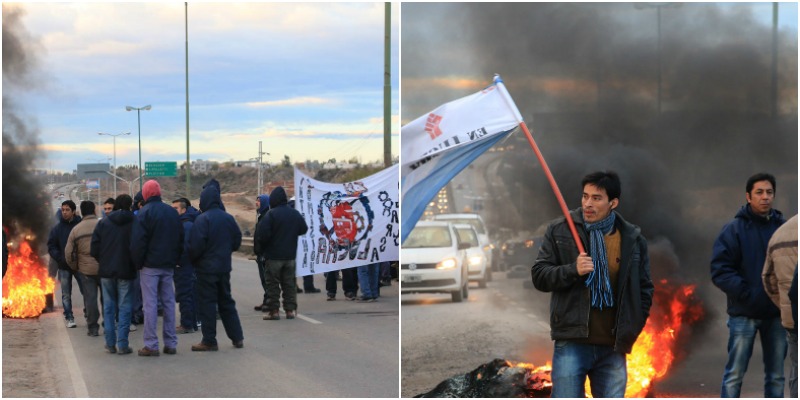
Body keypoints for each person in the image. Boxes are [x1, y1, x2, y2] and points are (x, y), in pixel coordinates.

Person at [531, 171, 653, 398]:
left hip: (613, 348)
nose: (588, 203)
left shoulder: (632, 239)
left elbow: (644, 289)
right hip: (572, 344)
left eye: (596, 198)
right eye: (585, 196)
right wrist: (572, 270)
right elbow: (539, 276)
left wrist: (632, 328)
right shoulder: (560, 230)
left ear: (613, 203)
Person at [711, 172, 787, 398]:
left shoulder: (783, 230)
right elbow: (720, 270)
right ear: (748, 196)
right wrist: (747, 294)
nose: (765, 197)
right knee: (735, 374)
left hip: (776, 315)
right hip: (744, 314)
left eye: (769, 192)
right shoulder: (733, 230)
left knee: (776, 376)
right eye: (759, 192)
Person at [188, 182, 244, 351]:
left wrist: (194, 261)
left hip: (206, 270)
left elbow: (195, 246)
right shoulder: (228, 218)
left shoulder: (202, 219)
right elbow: (237, 241)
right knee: (226, 301)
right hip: (223, 267)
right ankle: (237, 337)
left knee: (207, 304)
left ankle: (209, 340)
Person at [130, 180, 183, 356]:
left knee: (150, 304)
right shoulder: (171, 212)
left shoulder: (144, 213)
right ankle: (171, 343)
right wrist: (176, 259)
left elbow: (138, 242)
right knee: (168, 303)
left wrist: (138, 263)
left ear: (145, 194)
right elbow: (180, 238)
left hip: (149, 266)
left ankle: (151, 344)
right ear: (159, 193)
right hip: (168, 265)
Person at [90, 194, 137, 355]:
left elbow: (94, 248)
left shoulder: (103, 223)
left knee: (108, 307)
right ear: (131, 206)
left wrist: (103, 260)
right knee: (125, 307)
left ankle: (110, 343)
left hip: (106, 271)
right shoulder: (135, 222)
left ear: (115, 206)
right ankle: (123, 344)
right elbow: (139, 246)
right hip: (126, 270)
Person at [256, 186, 308, 320]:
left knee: (272, 285)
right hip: (290, 257)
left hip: (273, 257)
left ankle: (274, 311)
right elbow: (303, 229)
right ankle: (290, 310)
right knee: (289, 284)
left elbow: (263, 235)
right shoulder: (294, 213)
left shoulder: (271, 215)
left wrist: (263, 249)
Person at [762, 214, 797, 397]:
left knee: (797, 372)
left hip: (793, 319)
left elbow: (768, 279)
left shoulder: (779, 234)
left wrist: (786, 306)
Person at [65, 201, 102, 337]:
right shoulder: (102, 225)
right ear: (94, 210)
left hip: (86, 271)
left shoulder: (76, 229)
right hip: (104, 269)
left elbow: (68, 253)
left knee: (90, 299)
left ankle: (92, 328)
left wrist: (76, 267)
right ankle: (109, 324)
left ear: (80, 212)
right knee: (108, 299)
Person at [47, 201, 84, 328]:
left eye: (67, 210)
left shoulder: (80, 226)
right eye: (63, 210)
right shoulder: (57, 229)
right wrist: (59, 258)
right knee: (66, 294)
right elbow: (51, 246)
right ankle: (69, 317)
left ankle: (88, 312)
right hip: (63, 266)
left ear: (73, 211)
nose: (64, 212)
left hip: (79, 265)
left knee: (86, 291)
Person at [172, 197, 200, 334]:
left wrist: (178, 262)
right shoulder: (184, 223)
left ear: (183, 209)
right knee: (188, 294)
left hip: (184, 265)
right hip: (187, 265)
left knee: (185, 295)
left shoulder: (186, 225)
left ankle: (187, 324)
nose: (173, 211)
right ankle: (192, 322)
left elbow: (185, 248)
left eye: (176, 209)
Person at [253, 194, 270, 311]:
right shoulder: (262, 216)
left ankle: (269, 302)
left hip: (265, 255)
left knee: (267, 279)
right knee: (265, 279)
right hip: (261, 254)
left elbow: (265, 237)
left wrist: (263, 253)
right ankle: (266, 300)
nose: (256, 203)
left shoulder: (266, 217)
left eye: (258, 201)